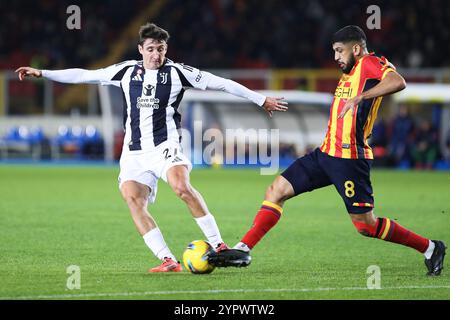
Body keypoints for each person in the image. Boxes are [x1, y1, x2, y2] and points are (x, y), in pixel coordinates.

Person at [16, 22, 288, 272]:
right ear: (140, 50)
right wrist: (42, 72)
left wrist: (259, 99)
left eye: (160, 49)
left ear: (165, 49)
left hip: (165, 146)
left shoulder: (178, 72)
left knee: (181, 187)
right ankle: (168, 260)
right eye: (150, 49)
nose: (156, 54)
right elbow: (84, 75)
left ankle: (219, 245)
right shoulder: (124, 71)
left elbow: (222, 83)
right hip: (134, 152)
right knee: (134, 200)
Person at [210, 25, 446, 276]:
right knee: (276, 190)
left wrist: (362, 97)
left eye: (339, 51)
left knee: (365, 226)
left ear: (356, 48)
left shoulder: (369, 63)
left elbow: (398, 81)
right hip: (324, 154)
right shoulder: (350, 70)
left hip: (349, 159)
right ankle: (243, 248)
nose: (335, 57)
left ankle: (431, 248)